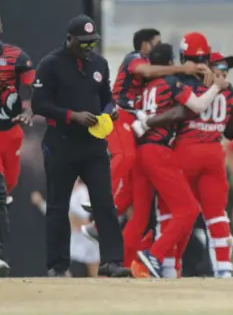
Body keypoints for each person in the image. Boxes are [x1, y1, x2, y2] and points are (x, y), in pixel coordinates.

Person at [81, 29, 207, 249]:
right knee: (125, 155)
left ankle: (101, 231)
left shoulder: (153, 83)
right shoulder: (135, 59)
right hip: (119, 114)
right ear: (144, 44)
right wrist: (187, 71)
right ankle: (97, 197)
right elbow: (149, 72)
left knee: (135, 205)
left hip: (137, 127)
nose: (156, 47)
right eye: (155, 43)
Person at [31, 14, 129, 277]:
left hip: (93, 143)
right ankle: (58, 265)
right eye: (83, 42)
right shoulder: (50, 64)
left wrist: (110, 111)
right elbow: (39, 104)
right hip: (61, 141)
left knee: (104, 201)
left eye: (92, 41)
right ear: (70, 38)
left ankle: (112, 261)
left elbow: (106, 98)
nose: (88, 47)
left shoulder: (100, 64)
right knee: (58, 205)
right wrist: (71, 116)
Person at [128, 37, 228, 278]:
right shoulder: (172, 82)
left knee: (141, 215)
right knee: (188, 210)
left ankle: (123, 263)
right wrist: (217, 87)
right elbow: (197, 106)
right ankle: (155, 254)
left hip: (140, 149)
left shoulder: (148, 87)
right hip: (158, 150)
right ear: (173, 62)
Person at [170, 47, 233, 277]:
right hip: (213, 152)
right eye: (220, 68)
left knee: (179, 211)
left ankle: (168, 264)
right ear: (209, 68)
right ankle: (224, 269)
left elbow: (175, 114)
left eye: (227, 69)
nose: (225, 73)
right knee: (216, 214)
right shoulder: (226, 89)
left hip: (188, 149)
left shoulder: (191, 85)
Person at [0, 8, 35, 277]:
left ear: (1, 28)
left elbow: (35, 86)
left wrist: (30, 110)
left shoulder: (16, 56)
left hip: (10, 135)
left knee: (2, 191)